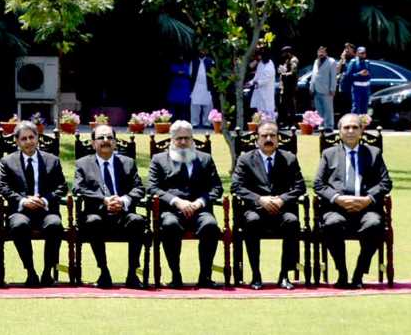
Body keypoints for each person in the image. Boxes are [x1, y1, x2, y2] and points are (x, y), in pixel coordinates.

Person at [315, 113, 393, 288]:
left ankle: (359, 272)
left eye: (355, 127)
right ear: (339, 132)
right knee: (331, 224)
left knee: (374, 224)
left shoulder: (373, 153)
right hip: (337, 208)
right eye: (346, 127)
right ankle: (342, 273)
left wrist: (368, 199)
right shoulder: (329, 154)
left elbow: (386, 182)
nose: (350, 131)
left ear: (361, 131)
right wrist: (338, 199)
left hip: (366, 209)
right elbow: (318, 185)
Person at [146, 119, 224, 288]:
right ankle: (176, 275)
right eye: (178, 138)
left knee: (210, 225)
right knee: (169, 225)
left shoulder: (205, 159)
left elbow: (217, 188)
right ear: (171, 139)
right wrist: (176, 201)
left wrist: (199, 202)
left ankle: (205, 276)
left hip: (200, 210)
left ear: (192, 139)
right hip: (171, 210)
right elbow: (152, 188)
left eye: (186, 138)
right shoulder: (159, 159)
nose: (182, 142)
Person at [230, 120, 304, 289]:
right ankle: (256, 275)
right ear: (257, 139)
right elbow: (236, 186)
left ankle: (284, 275)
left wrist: (282, 199)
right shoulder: (245, 159)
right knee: (251, 221)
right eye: (264, 135)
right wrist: (259, 199)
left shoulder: (289, 159)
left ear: (278, 138)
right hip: (255, 210)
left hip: (281, 210)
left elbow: (300, 186)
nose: (269, 138)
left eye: (272, 135)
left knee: (292, 221)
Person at [71, 124, 147, 289]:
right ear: (92, 143)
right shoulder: (83, 164)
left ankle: (132, 274)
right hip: (96, 213)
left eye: (109, 138)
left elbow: (139, 188)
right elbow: (78, 188)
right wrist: (104, 200)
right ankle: (104, 272)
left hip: (123, 214)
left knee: (138, 221)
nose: (105, 141)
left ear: (115, 142)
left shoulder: (128, 163)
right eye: (101, 138)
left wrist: (124, 200)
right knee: (92, 222)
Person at [0, 119, 67, 287]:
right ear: (17, 141)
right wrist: (23, 200)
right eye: (24, 139)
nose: (28, 142)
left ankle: (47, 272)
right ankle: (30, 271)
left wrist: (44, 199)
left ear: (37, 138)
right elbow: (2, 187)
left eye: (31, 137)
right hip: (20, 210)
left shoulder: (52, 160)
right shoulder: (8, 162)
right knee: (19, 225)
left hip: (46, 210)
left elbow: (62, 187)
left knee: (55, 225)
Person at [312, 46, 338, 132]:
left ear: (326, 53)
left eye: (322, 52)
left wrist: (333, 89)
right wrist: (311, 86)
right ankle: (320, 125)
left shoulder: (332, 62)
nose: (320, 53)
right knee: (318, 109)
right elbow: (313, 75)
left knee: (328, 109)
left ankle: (329, 126)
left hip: (327, 90)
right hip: (316, 89)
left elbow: (333, 77)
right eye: (319, 51)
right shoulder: (316, 61)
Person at [248, 48, 277, 118]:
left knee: (268, 110)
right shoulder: (260, 64)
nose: (258, 57)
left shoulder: (270, 65)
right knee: (259, 110)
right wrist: (250, 82)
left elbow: (266, 79)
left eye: (259, 56)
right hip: (259, 92)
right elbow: (257, 76)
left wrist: (256, 82)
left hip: (267, 92)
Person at [190, 50, 216, 128]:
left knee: (208, 105)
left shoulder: (211, 61)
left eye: (203, 50)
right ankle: (194, 123)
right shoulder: (193, 62)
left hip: (207, 86)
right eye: (200, 50)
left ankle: (207, 123)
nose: (202, 52)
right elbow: (190, 74)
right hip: (196, 86)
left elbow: (214, 74)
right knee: (195, 105)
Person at [346, 46, 374, 117]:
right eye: (361, 53)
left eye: (364, 53)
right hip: (357, 87)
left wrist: (367, 74)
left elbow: (371, 75)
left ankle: (363, 124)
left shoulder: (367, 62)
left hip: (366, 87)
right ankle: (354, 122)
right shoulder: (353, 62)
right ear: (357, 54)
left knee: (364, 107)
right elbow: (348, 76)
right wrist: (359, 74)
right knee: (356, 106)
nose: (363, 54)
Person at [167, 57, 193, 125]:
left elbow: (189, 73)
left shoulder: (187, 65)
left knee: (184, 106)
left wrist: (183, 73)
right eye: (179, 56)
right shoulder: (173, 65)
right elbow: (172, 71)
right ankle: (173, 120)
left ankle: (184, 121)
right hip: (175, 88)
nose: (181, 58)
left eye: (182, 56)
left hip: (184, 87)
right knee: (173, 106)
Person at [278, 46, 301, 123]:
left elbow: (293, 73)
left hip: (290, 87)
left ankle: (292, 123)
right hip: (286, 87)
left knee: (291, 106)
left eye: (284, 53)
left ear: (288, 52)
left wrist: (284, 74)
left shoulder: (293, 60)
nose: (283, 55)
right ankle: (285, 121)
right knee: (284, 105)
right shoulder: (288, 60)